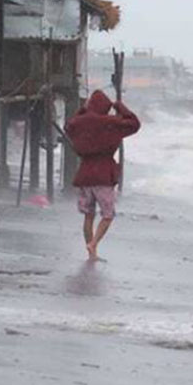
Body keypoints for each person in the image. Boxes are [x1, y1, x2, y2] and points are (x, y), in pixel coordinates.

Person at [64, 89, 140, 261]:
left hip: (85, 174)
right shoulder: (111, 123)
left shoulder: (80, 123)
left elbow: (68, 126)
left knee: (88, 215)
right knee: (107, 215)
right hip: (103, 175)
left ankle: (91, 253)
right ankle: (94, 244)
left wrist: (82, 110)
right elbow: (134, 124)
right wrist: (120, 107)